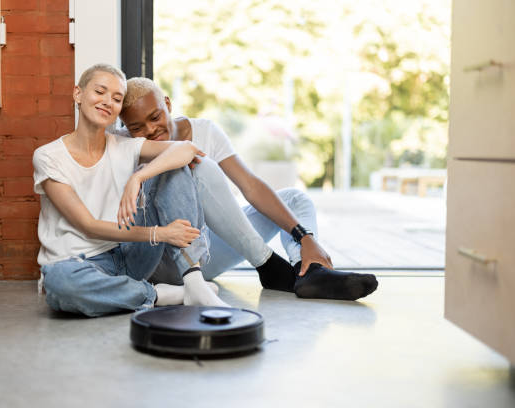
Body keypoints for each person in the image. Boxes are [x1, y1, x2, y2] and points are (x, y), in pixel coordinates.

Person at [118, 77, 378, 301]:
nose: (150, 130)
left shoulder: (204, 130)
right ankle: (268, 264)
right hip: (163, 260)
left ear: (167, 104)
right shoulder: (123, 145)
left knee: (294, 199)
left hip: (205, 254)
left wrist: (305, 236)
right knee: (201, 165)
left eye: (155, 117)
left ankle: (308, 273)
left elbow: (251, 186)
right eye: (136, 128)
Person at [32, 64, 229, 317]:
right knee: (60, 284)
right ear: (78, 94)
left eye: (116, 99)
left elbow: (186, 148)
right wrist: (159, 234)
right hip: (75, 266)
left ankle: (193, 280)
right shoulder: (48, 156)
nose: (107, 102)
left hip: (130, 256)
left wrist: (139, 176)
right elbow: (88, 225)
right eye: (100, 92)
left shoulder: (125, 146)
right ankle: (160, 295)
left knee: (171, 165)